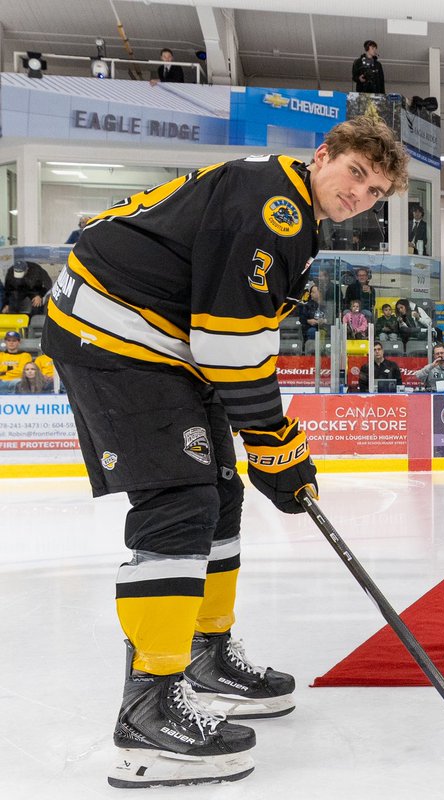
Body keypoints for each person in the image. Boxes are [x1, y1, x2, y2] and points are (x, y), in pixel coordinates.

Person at [41, 115, 408, 788]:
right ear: (322, 154)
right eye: (356, 173)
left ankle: (205, 655)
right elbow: (228, 344)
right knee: (180, 500)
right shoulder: (275, 208)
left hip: (162, 341)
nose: (360, 195)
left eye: (376, 191)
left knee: (221, 493)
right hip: (114, 332)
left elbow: (241, 338)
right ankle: (149, 706)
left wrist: (274, 445)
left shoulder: (290, 212)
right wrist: (273, 442)